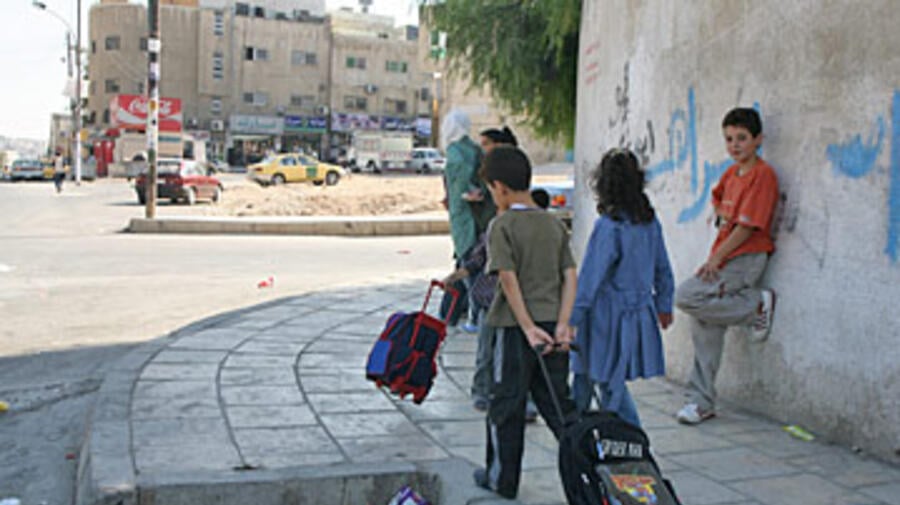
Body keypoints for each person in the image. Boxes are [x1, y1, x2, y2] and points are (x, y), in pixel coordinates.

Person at [473, 146, 577, 499]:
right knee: (559, 407)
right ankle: (586, 475)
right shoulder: (553, 223)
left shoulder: (502, 225)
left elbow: (507, 278)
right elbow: (570, 275)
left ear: (499, 188)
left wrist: (527, 326)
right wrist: (562, 323)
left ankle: (501, 479)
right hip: (553, 326)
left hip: (513, 328)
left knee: (506, 404)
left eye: (491, 189)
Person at [674, 107, 779, 425]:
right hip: (723, 256)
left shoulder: (763, 176)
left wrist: (716, 258)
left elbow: (746, 227)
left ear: (758, 139)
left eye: (742, 138)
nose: (735, 145)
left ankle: (754, 306)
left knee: (687, 296)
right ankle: (701, 401)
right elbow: (718, 200)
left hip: (744, 259)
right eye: (729, 139)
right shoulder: (731, 174)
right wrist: (721, 217)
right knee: (704, 323)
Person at [567, 148, 675, 427]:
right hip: (637, 312)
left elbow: (590, 278)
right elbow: (663, 268)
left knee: (605, 381)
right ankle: (575, 432)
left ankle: (631, 438)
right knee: (590, 377)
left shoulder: (609, 226)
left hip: (605, 317)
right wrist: (664, 305)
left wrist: (570, 319)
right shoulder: (649, 223)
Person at [443, 188, 550, 420]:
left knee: (517, 356)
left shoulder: (542, 233)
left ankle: (521, 399)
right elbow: (476, 260)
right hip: (491, 301)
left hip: (521, 304)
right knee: (487, 352)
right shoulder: (496, 228)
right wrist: (455, 276)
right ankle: (482, 392)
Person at [441, 110, 494, 332]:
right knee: (472, 263)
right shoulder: (474, 148)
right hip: (476, 212)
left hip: (463, 216)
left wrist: (461, 192)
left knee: (468, 265)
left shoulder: (455, 150)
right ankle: (462, 314)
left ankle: (474, 315)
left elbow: (460, 178)